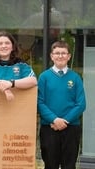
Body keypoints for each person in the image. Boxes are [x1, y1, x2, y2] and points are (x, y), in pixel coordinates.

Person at [37, 40, 86, 169]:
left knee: (69, 165)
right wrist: (54, 119)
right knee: (50, 165)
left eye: (63, 53)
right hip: (49, 127)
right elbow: (40, 102)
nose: (60, 56)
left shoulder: (76, 77)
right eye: (57, 53)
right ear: (51, 56)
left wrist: (64, 121)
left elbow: (81, 104)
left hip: (71, 128)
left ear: (69, 56)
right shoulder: (44, 77)